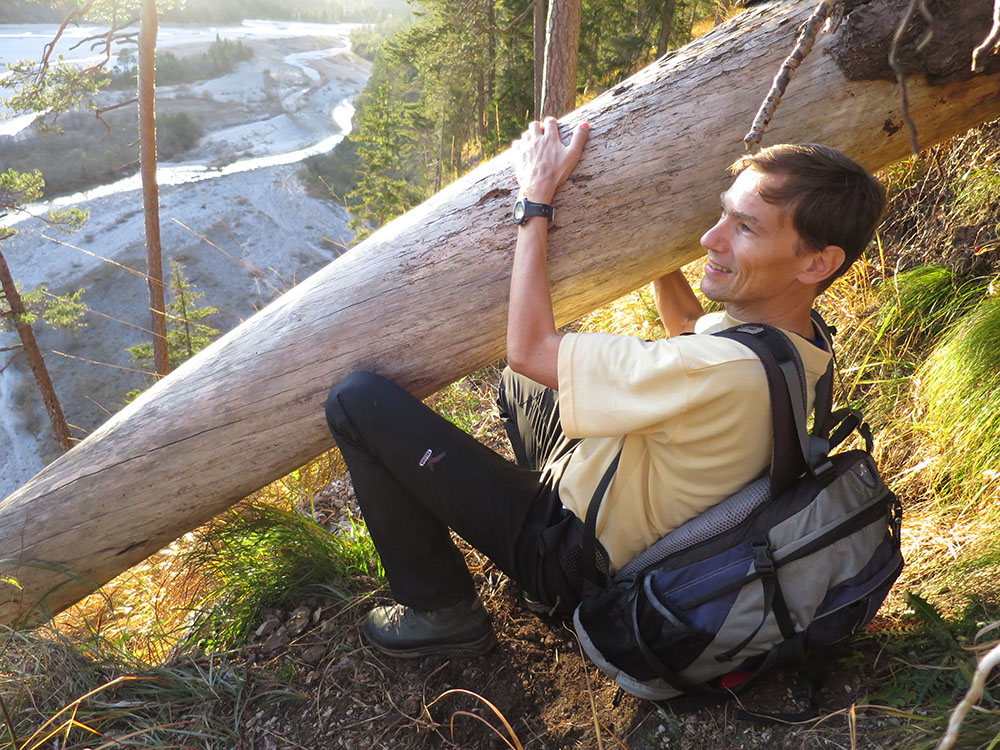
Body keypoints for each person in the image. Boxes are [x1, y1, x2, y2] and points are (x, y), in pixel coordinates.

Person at [325, 119, 886, 659]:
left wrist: (536, 199)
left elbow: (530, 348)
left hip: (572, 559)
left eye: (745, 227)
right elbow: (689, 328)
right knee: (523, 384)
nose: (709, 237)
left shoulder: (717, 372)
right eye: (722, 214)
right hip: (606, 494)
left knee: (357, 401)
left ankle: (440, 611)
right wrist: (654, 256)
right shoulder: (799, 342)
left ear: (818, 262)